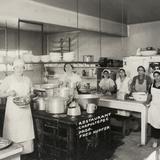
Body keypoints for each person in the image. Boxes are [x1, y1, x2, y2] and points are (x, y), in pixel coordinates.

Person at [0, 58, 35, 155]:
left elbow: (32, 92)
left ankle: (26, 153)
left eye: (22, 67)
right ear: (13, 68)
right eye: (17, 67)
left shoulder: (27, 79)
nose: (20, 69)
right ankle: (13, 154)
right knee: (14, 134)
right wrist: (9, 93)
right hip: (13, 112)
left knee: (26, 133)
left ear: (24, 68)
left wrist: (30, 96)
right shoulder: (8, 79)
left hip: (25, 112)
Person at [147, 70, 160, 148]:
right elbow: (149, 95)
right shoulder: (151, 85)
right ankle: (155, 141)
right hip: (154, 107)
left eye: (158, 75)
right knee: (154, 124)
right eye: (155, 76)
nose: (156, 77)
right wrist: (146, 102)